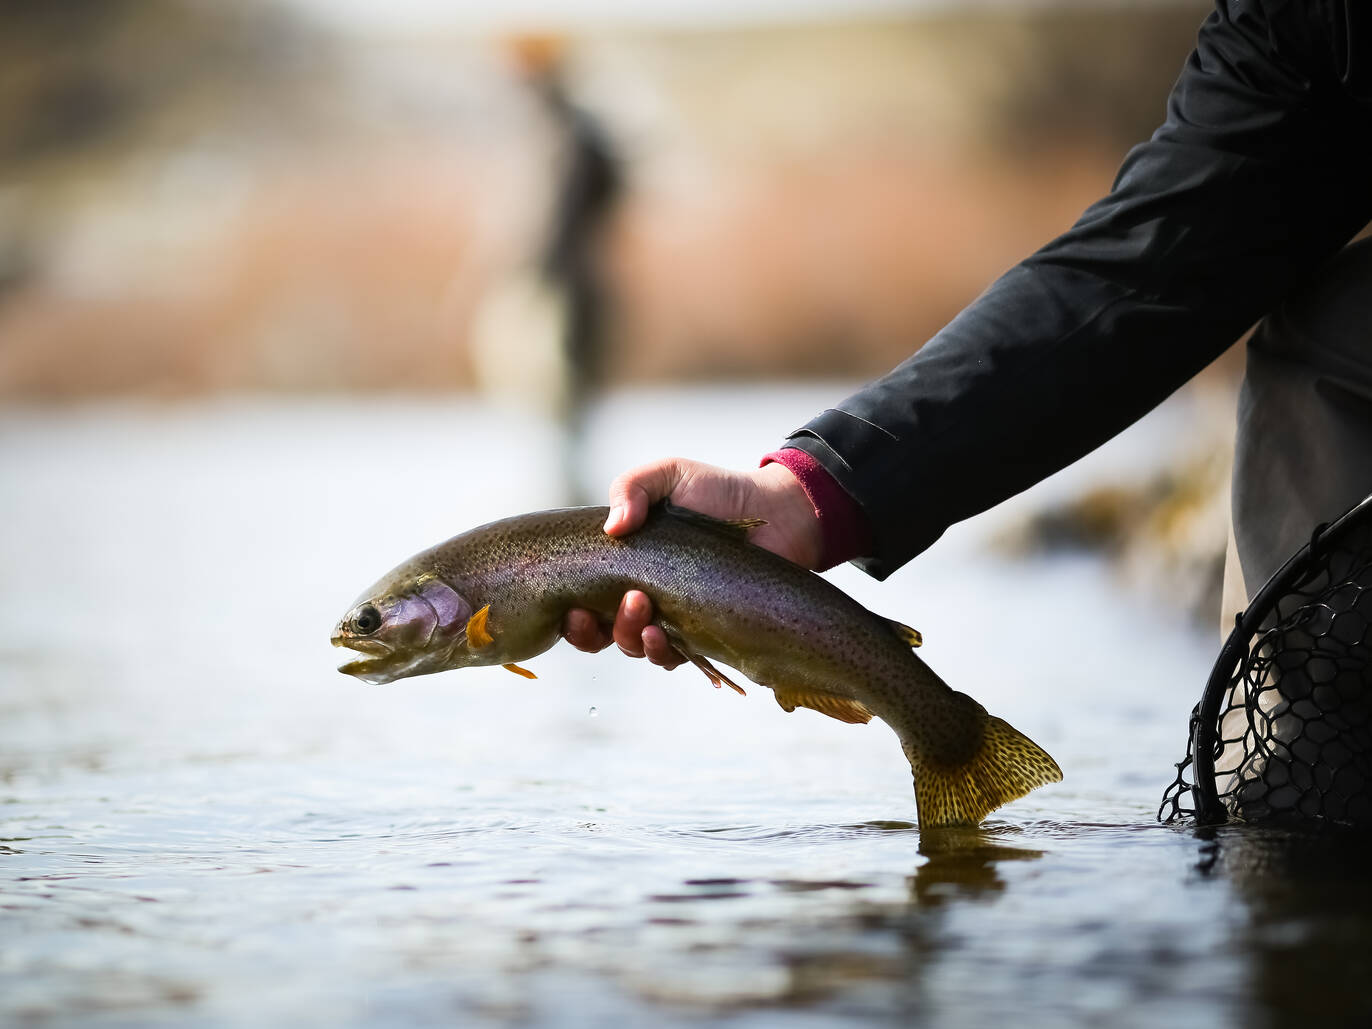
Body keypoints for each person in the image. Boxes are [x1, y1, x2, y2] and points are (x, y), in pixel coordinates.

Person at [562, 0, 1372, 669]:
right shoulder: (1287, 24)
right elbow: (1142, 272)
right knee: (1320, 344)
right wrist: (810, 495)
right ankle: (1291, 847)